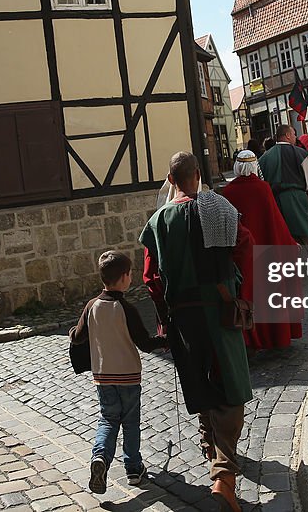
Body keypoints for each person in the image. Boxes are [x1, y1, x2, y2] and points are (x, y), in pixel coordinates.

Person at [140, 152, 253, 512]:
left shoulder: (158, 221)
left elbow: (150, 277)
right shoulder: (218, 207)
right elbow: (245, 247)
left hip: (183, 316)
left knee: (201, 382)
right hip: (219, 310)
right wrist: (242, 295)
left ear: (171, 180)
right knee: (230, 387)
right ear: (198, 177)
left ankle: (211, 452)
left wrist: (164, 317)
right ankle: (223, 475)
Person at [69, 251, 168, 494]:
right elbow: (144, 343)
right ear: (124, 278)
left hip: (103, 377)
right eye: (130, 273)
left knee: (108, 419)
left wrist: (73, 330)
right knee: (130, 421)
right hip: (129, 376)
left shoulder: (92, 306)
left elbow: (78, 337)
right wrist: (167, 339)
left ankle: (100, 457)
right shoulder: (126, 308)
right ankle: (134, 468)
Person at [220, 150, 302, 350]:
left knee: (248, 296)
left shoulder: (228, 192)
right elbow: (276, 223)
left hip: (242, 256)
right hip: (267, 251)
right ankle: (275, 337)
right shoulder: (263, 188)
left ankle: (251, 338)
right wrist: (290, 244)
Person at [258, 125, 308, 244]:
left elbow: (261, 182)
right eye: (294, 134)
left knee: (280, 238)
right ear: (288, 135)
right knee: (300, 237)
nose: (295, 137)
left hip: (273, 201)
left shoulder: (263, 158)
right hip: (296, 198)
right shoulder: (301, 154)